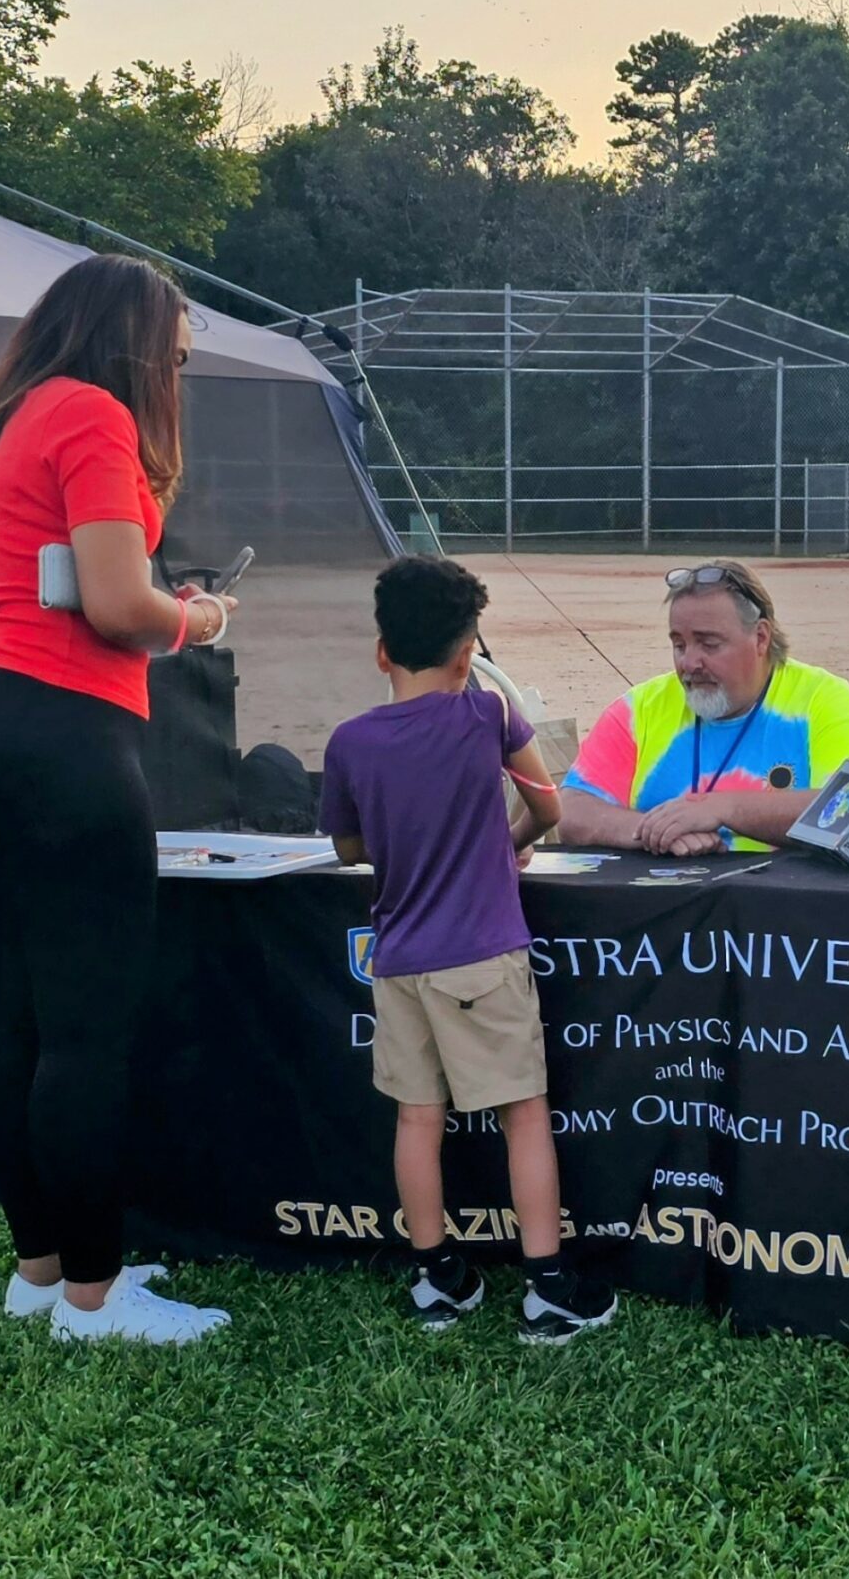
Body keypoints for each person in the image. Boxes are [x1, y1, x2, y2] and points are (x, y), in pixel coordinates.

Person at [0, 254, 238, 1347]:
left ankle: (40, 1270)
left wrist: (17, 607)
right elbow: (118, 607)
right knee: (88, 1031)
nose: (179, 380)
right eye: (179, 359)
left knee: (20, 1010)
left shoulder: (20, 412)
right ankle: (97, 1301)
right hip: (64, 739)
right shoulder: (98, 417)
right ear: (139, 344)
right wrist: (195, 617)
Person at [318, 555, 617, 1342]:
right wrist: (509, 842)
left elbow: (350, 847)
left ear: (381, 651)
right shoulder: (486, 715)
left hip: (398, 961)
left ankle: (438, 1277)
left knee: (417, 1118)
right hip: (484, 955)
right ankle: (549, 1285)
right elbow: (547, 805)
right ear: (469, 652)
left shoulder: (350, 742)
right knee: (524, 1113)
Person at [559, 559, 849, 854]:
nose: (689, 662)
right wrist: (655, 831)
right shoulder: (639, 709)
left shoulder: (827, 702)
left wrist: (722, 808)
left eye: (709, 643)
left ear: (761, 638)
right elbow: (571, 810)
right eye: (679, 644)